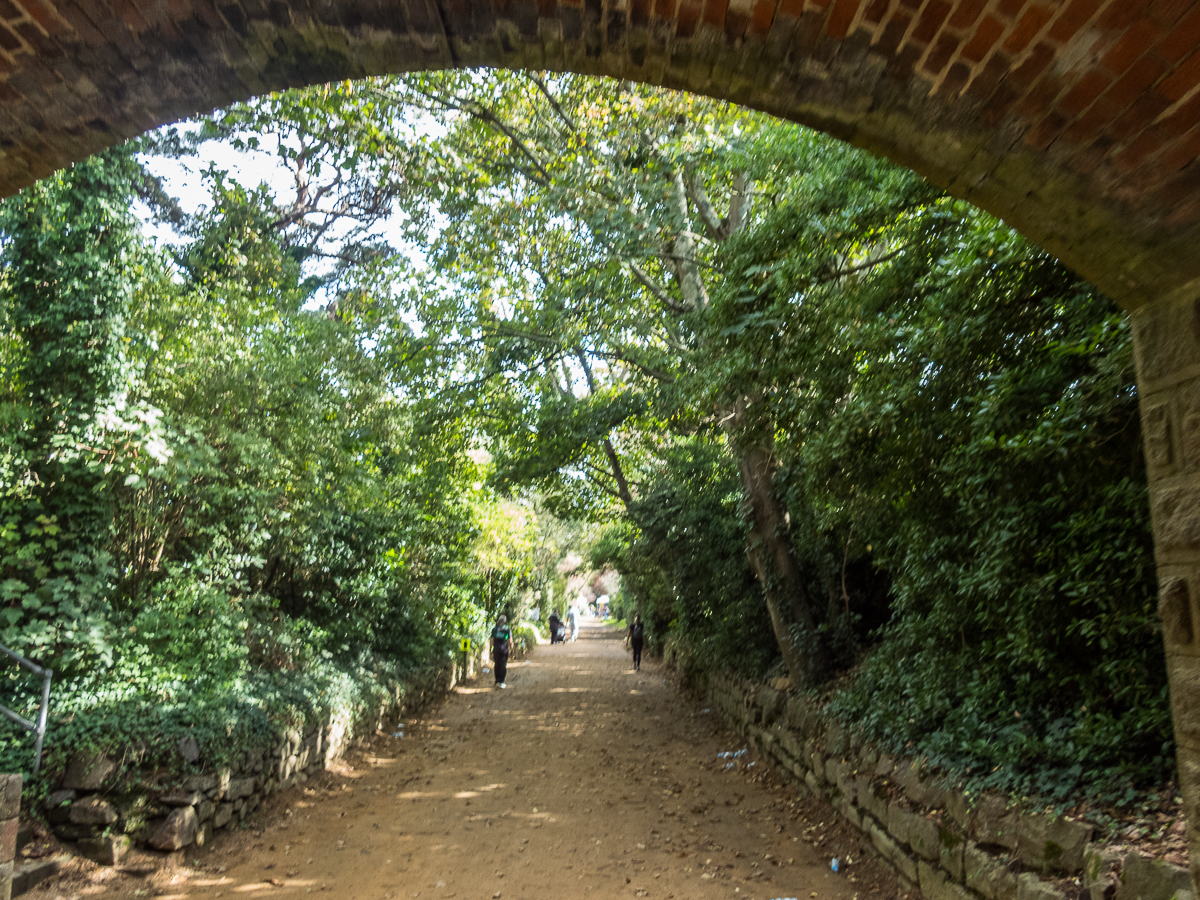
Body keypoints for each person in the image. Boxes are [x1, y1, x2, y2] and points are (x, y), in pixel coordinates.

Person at [491, 615, 511, 688]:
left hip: (496, 649)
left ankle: (497, 681)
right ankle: (502, 681)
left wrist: (491, 649)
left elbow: (491, 640)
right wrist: (512, 649)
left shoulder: (495, 629)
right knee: (503, 665)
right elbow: (510, 640)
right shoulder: (507, 629)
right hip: (504, 650)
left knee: (497, 664)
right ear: (505, 621)